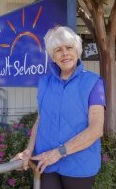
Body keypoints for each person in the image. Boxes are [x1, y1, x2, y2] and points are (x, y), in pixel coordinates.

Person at [11, 26, 106, 189]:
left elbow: (96, 129)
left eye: (69, 47)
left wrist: (58, 153)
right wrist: (28, 150)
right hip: (46, 162)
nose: (65, 53)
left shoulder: (93, 82)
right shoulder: (44, 82)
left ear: (77, 51)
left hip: (79, 166)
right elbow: (40, 119)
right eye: (58, 50)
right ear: (52, 57)